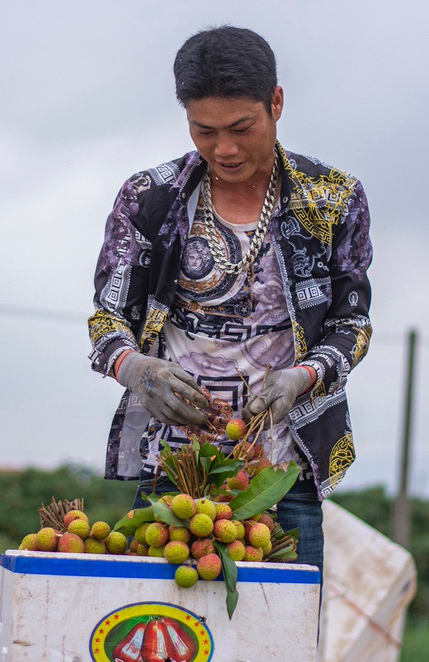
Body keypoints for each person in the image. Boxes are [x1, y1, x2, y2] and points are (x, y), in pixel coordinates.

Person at [88, 26, 373, 576]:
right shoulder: (150, 198)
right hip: (171, 471)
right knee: (166, 646)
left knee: (281, 646)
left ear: (277, 103)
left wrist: (303, 377)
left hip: (281, 471)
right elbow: (106, 319)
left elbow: (353, 323)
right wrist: (136, 369)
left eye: (242, 128)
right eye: (205, 130)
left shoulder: (333, 199)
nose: (225, 149)